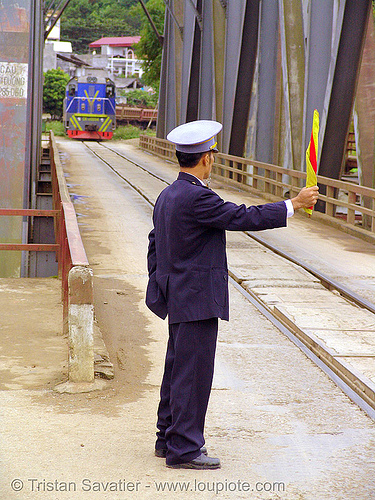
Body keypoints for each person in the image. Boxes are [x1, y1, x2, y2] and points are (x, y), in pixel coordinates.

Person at [146, 120, 319, 470]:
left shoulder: (169, 194)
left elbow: (154, 244)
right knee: (193, 374)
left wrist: (164, 282)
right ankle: (185, 449)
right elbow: (243, 217)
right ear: (206, 159)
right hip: (195, 299)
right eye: (212, 153)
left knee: (177, 368)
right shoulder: (198, 197)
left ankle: (167, 438)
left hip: (179, 296)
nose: (214, 158)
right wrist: (294, 204)